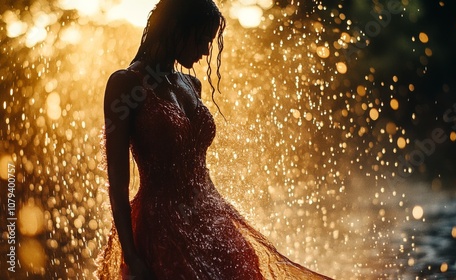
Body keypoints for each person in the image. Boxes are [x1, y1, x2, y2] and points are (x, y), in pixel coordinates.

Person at [96, 0, 333, 279]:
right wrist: (132, 256)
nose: (206, 51)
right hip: (162, 227)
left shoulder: (190, 84)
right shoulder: (125, 84)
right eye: (200, 39)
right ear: (174, 28)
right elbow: (118, 183)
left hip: (212, 217)